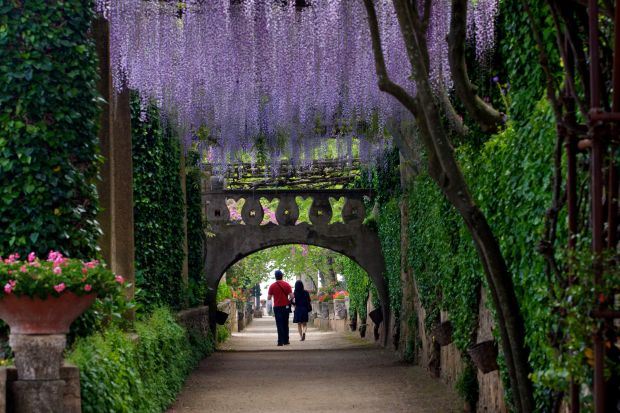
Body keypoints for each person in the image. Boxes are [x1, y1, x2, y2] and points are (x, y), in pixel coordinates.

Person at [267, 270, 293, 346]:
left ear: (275, 277)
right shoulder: (287, 285)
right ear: (282, 276)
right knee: (285, 323)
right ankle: (286, 340)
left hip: (277, 307)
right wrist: (288, 299)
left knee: (279, 324)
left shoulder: (272, 286)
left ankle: (280, 341)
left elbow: (269, 298)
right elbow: (292, 296)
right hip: (285, 307)